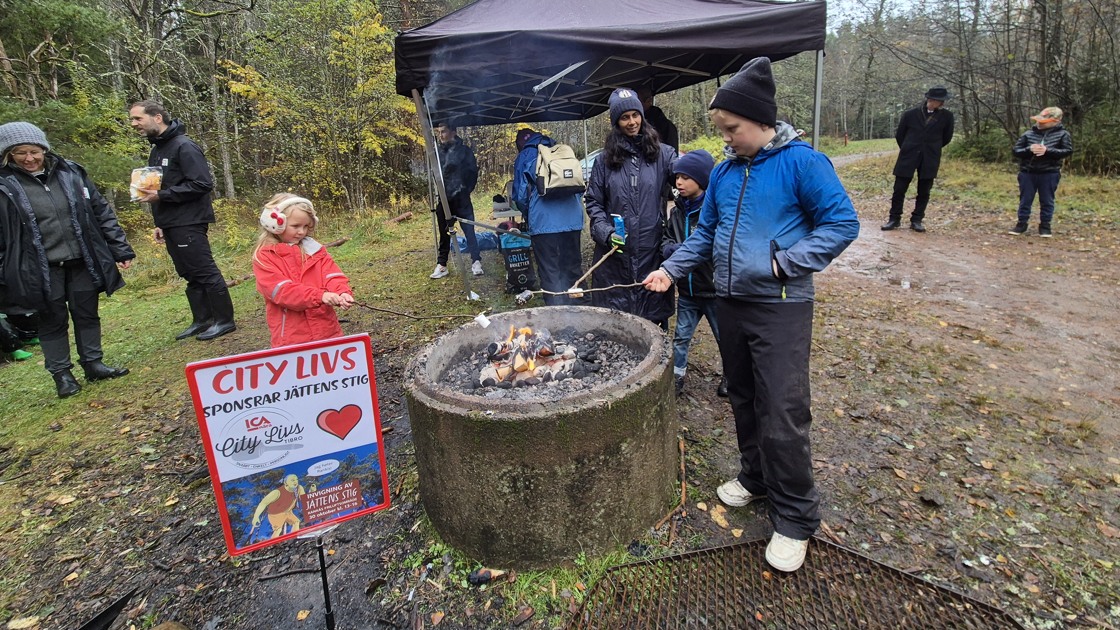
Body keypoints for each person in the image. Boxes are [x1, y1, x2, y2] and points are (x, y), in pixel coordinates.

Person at [642, 58, 859, 572]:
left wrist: (785, 263)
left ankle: (796, 517)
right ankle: (756, 477)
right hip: (731, 302)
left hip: (781, 306)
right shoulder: (723, 172)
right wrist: (670, 269)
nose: (726, 138)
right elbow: (706, 233)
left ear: (762, 121)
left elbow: (841, 224)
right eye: (721, 129)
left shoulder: (803, 164)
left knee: (782, 409)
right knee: (742, 395)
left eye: (732, 129)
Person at [0, 122, 135, 397]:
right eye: (20, 153)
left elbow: (100, 211)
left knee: (87, 314)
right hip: (38, 268)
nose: (29, 158)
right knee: (51, 321)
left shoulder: (70, 172)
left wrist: (120, 249)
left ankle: (93, 363)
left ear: (44, 149)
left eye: (34, 151)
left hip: (82, 260)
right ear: (8, 155)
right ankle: (62, 375)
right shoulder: (4, 185)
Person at [128, 100, 236, 341]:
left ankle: (224, 320)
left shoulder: (184, 146)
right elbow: (160, 186)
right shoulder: (157, 149)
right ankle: (202, 319)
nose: (134, 124)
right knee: (188, 273)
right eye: (132, 119)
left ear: (157, 117)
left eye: (138, 118)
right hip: (171, 222)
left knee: (204, 270)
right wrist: (160, 223)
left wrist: (163, 195)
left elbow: (202, 184)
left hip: (189, 220)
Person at [584, 87, 676, 328]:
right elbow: (594, 202)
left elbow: (686, 186)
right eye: (625, 117)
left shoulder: (664, 155)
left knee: (653, 325)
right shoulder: (604, 161)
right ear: (616, 122)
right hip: (615, 257)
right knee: (615, 327)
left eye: (635, 115)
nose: (632, 122)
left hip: (651, 252)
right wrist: (606, 233)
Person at [661, 149, 726, 398]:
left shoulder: (714, 210)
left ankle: (731, 376)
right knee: (681, 337)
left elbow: (716, 245)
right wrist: (672, 250)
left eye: (686, 177)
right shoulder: (677, 211)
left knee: (724, 337)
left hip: (713, 290)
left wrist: (691, 251)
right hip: (687, 290)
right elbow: (666, 239)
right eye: (677, 177)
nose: (679, 182)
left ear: (701, 179)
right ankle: (677, 375)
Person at [252, 194, 354, 347]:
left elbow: (332, 275)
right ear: (274, 223)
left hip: (327, 330)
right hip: (292, 338)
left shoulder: (314, 250)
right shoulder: (265, 257)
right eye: (296, 226)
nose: (302, 231)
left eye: (306, 226)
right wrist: (320, 296)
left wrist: (342, 292)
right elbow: (282, 292)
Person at [511, 127, 585, 305]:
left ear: (521, 143)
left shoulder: (525, 155)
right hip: (572, 220)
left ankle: (556, 312)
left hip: (544, 223)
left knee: (549, 270)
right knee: (573, 268)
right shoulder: (561, 150)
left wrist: (529, 216)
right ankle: (581, 309)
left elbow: (520, 196)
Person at [882, 86, 955, 233]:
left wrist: (932, 147)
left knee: (924, 191)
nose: (936, 103)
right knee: (899, 189)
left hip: (930, 157)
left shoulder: (947, 116)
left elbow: (946, 137)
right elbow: (900, 135)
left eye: (939, 101)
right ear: (929, 99)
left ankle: (917, 220)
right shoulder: (910, 114)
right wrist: (908, 147)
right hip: (908, 155)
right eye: (934, 100)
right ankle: (894, 219)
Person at [430, 122, 483, 279]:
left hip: (462, 199)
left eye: (444, 132)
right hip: (445, 199)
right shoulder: (438, 152)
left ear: (453, 132)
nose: (441, 135)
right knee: (444, 233)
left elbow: (473, 173)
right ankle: (442, 265)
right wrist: (442, 192)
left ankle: (476, 261)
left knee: (469, 231)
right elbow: (436, 174)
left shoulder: (465, 151)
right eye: (439, 132)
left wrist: (465, 190)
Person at [1010, 107, 1073, 237]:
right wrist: (1029, 149)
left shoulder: (1063, 134)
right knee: (1025, 200)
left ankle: (1045, 226)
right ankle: (1021, 224)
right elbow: (1016, 151)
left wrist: (1047, 150)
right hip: (1028, 172)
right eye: (1039, 120)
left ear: (1056, 121)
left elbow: (1067, 151)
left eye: (1044, 122)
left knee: (1047, 200)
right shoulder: (1028, 134)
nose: (1039, 123)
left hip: (1050, 172)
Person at [252, 474, 315, 539]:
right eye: (292, 480)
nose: (295, 482)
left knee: (296, 522)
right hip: (275, 514)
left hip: (287, 511)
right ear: (285, 483)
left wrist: (312, 491)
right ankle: (273, 542)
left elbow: (304, 499)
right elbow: (263, 503)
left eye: (296, 479)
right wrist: (256, 516)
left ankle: (294, 538)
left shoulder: (299, 488)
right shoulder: (277, 492)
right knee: (278, 529)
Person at [637, 86, 680, 153]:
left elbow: (672, 154)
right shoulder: (635, 123)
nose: (633, 105)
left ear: (648, 101)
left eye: (637, 102)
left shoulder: (666, 127)